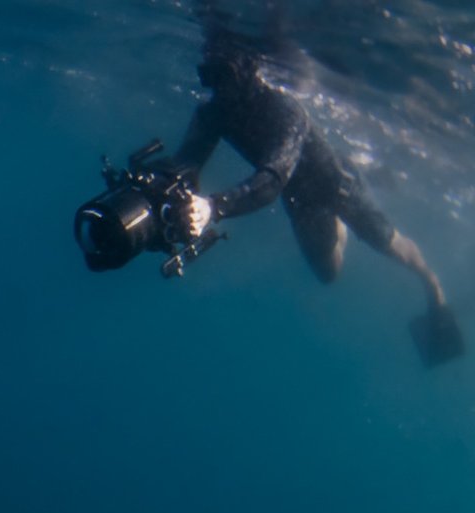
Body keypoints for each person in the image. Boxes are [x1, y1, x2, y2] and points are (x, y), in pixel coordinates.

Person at [160, 27, 462, 365]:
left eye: (225, 75)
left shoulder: (285, 111)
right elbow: (184, 165)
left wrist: (212, 208)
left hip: (338, 187)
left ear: (250, 71)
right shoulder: (213, 114)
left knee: (394, 248)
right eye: (209, 76)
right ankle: (347, 210)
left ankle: (433, 284)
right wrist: (158, 189)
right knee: (328, 275)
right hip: (299, 198)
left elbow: (272, 180)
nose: (219, 87)